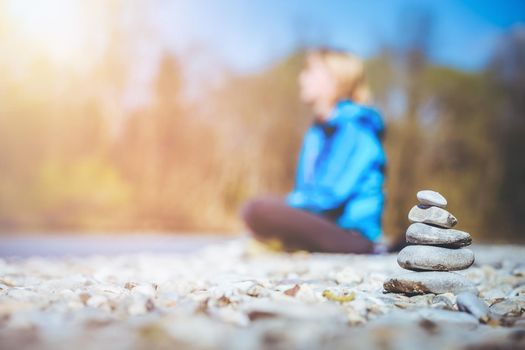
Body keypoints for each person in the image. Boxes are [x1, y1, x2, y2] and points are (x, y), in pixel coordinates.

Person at [240, 48, 386, 254]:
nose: (302, 78)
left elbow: (330, 195)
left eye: (310, 71)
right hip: (326, 224)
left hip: (353, 235)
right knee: (256, 210)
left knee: (259, 209)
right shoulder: (317, 132)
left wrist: (287, 206)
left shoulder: (356, 127)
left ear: (336, 80)